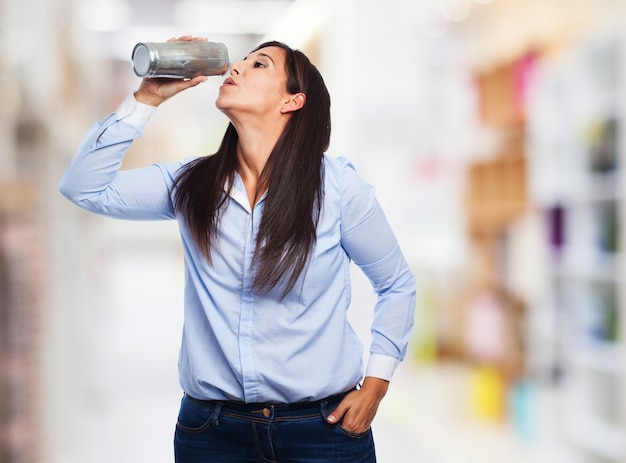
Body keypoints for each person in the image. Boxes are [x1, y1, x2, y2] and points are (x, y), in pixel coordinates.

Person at [59, 36, 416, 463]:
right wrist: (147, 99)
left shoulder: (337, 189)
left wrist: (377, 383)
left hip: (322, 431)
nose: (238, 67)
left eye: (259, 64)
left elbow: (396, 284)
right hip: (211, 434)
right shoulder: (190, 184)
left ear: (292, 101)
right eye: (241, 61)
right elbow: (83, 187)